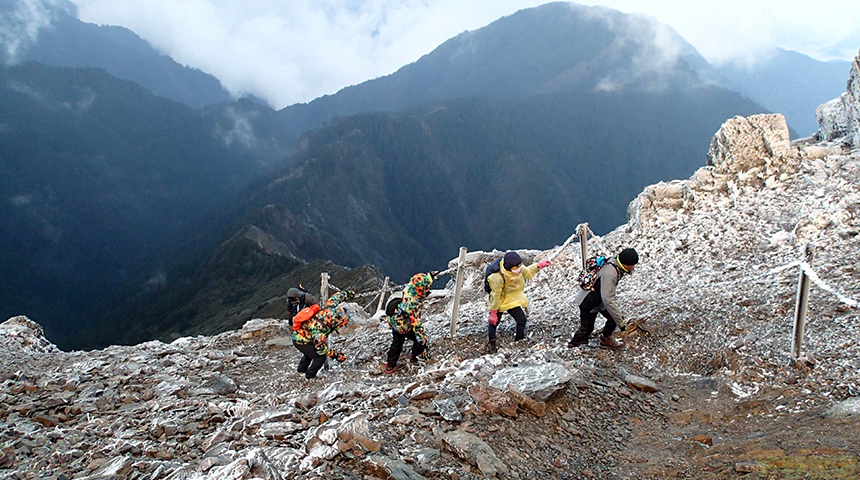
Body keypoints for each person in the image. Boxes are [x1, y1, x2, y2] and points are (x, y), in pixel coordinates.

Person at [567, 247, 638, 349]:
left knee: (612, 319)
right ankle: (573, 344)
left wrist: (617, 318)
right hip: (589, 302)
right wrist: (621, 323)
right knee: (586, 328)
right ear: (625, 263)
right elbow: (607, 299)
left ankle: (605, 339)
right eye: (632, 265)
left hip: (598, 300)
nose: (633, 267)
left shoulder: (614, 264)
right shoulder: (610, 273)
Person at [486, 251, 551, 353]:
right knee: (494, 322)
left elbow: (528, 273)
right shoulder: (497, 277)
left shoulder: (518, 268)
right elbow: (495, 295)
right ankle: (491, 342)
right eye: (514, 268)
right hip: (500, 300)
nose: (518, 269)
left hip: (512, 299)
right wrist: (493, 312)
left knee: (522, 320)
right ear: (508, 268)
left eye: (519, 266)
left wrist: (539, 266)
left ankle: (519, 338)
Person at [292, 289, 354, 379]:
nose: (341, 326)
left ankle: (301, 370)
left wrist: (348, 293)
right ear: (336, 322)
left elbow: (336, 297)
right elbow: (320, 348)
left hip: (304, 335)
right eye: (341, 323)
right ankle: (310, 376)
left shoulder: (329, 308)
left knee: (309, 353)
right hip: (301, 341)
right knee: (320, 358)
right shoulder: (320, 329)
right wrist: (335, 355)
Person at [385, 272, 437, 373]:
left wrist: (429, 277)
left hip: (395, 322)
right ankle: (414, 357)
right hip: (404, 326)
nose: (428, 290)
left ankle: (390, 366)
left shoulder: (410, 287)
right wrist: (422, 339)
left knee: (396, 343)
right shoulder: (413, 303)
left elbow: (420, 281)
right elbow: (416, 323)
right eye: (427, 288)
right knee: (420, 340)